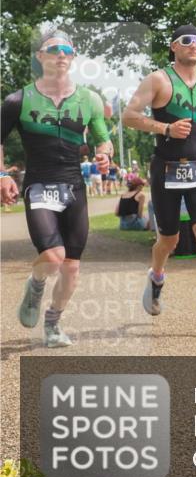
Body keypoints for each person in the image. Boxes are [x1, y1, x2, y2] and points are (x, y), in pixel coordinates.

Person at [0, 30, 114, 347]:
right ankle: (35, 285)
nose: (61, 54)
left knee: (72, 267)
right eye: (53, 49)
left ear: (73, 57)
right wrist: (1, 174)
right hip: (39, 183)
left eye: (67, 49)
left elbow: (102, 137)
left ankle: (53, 324)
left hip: (74, 186)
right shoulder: (17, 101)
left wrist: (105, 153)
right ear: (41, 57)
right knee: (52, 256)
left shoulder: (89, 99)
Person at [123, 24, 196, 332]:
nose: (194, 45)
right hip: (165, 169)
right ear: (174, 46)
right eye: (187, 41)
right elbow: (129, 115)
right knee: (169, 239)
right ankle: (156, 277)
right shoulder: (158, 80)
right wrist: (166, 129)